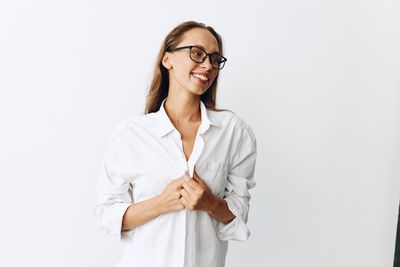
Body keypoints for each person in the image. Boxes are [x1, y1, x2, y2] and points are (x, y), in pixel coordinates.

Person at [93, 20, 257, 267]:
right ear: (167, 59)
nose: (207, 65)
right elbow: (106, 214)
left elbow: (238, 213)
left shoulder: (234, 132)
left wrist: (210, 204)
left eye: (214, 59)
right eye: (197, 53)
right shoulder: (131, 135)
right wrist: (160, 203)